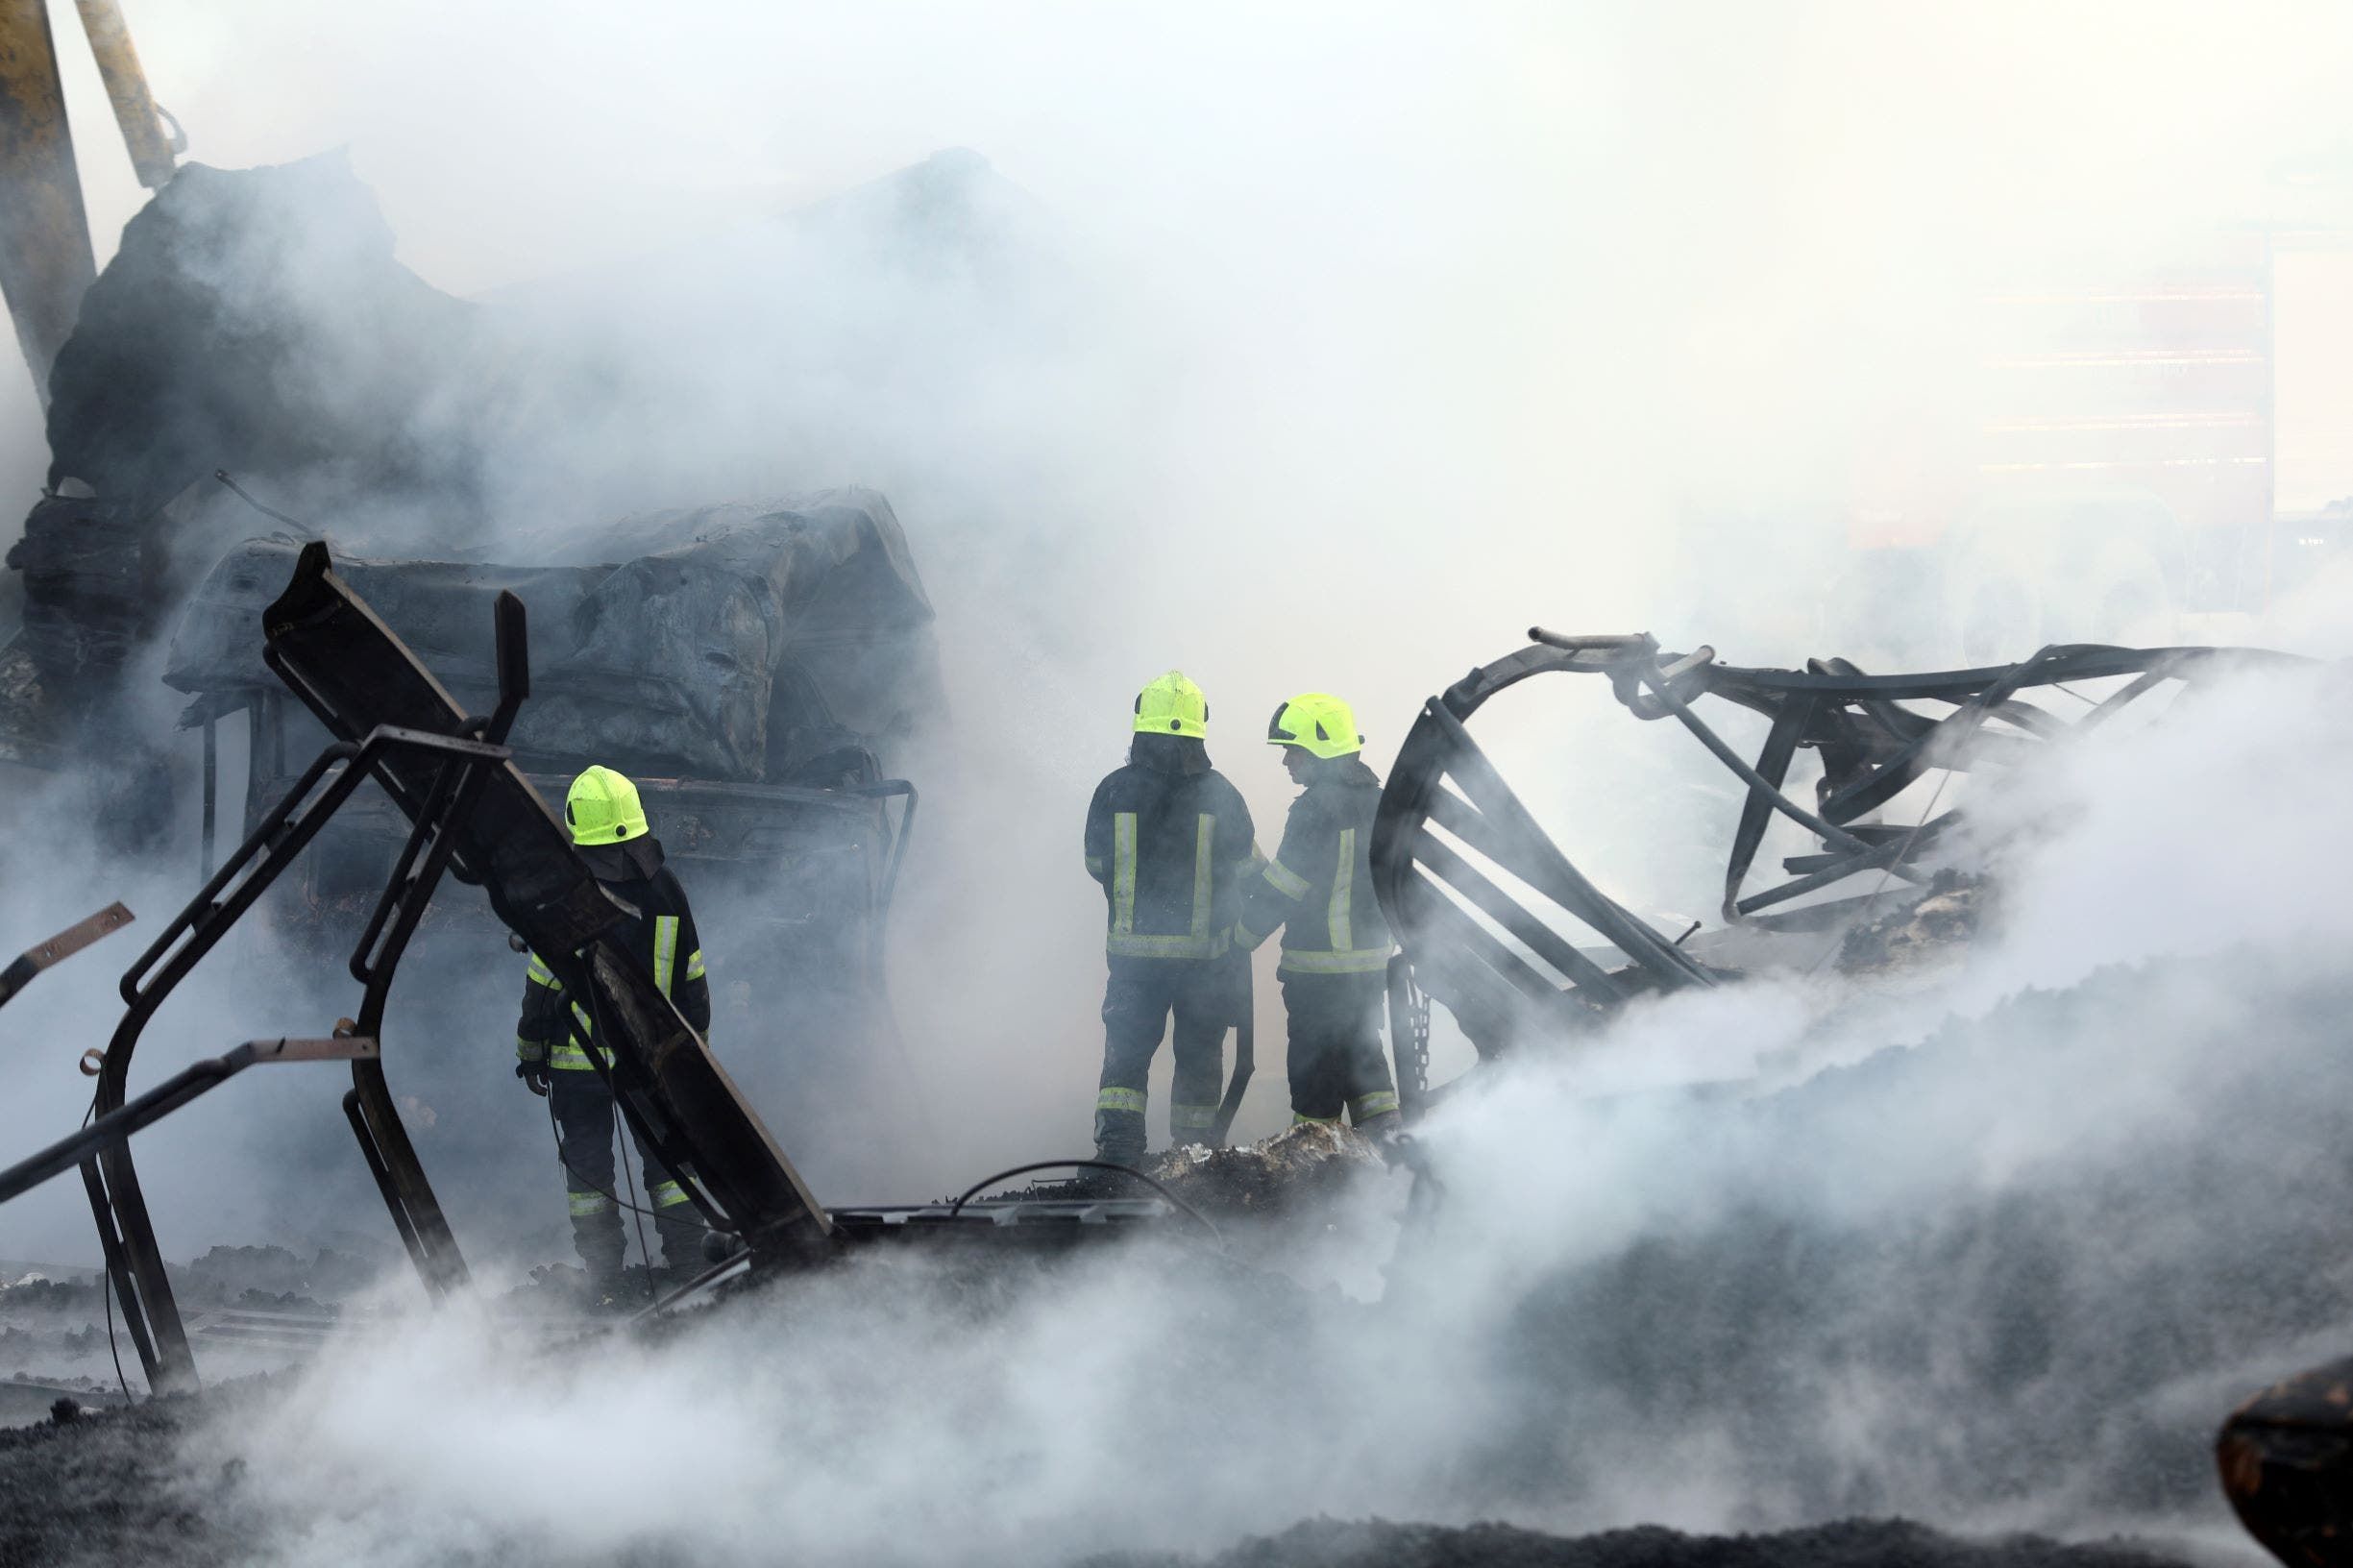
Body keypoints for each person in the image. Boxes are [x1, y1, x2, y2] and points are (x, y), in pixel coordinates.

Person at [515, 764, 708, 1300]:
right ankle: (692, 1266)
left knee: (588, 1169)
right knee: (669, 1161)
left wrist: (530, 1053)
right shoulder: (666, 889)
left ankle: (604, 1277)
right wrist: (695, 1055)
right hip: (655, 1059)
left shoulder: (566, 892)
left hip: (578, 1068)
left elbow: (540, 988)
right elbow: (692, 980)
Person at [1082, 671, 1259, 1164]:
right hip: (1204, 964)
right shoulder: (1222, 795)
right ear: (1199, 729)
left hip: (1133, 963)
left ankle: (1118, 1156)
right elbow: (1249, 873)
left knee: (1126, 1058)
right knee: (1199, 1059)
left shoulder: (1112, 791)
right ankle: (1194, 1159)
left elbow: (1095, 864)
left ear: (1141, 724)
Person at [1234, 692, 1402, 1137]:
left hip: (1318, 977)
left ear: (1321, 750)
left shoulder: (1312, 809)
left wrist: (1242, 935)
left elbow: (1284, 887)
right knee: (1366, 1064)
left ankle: (1317, 1164)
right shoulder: (1383, 803)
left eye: (1294, 750)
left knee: (1315, 1083)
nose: (1286, 761)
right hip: (1370, 970)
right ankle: (1389, 1151)